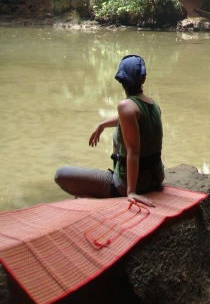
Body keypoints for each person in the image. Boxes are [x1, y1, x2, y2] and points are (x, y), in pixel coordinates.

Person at [54, 54, 164, 207]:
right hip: (156, 178)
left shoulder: (125, 106)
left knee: (61, 175)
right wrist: (102, 125)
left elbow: (134, 150)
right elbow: (129, 119)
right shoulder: (153, 104)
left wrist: (131, 192)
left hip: (133, 184)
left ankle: (99, 198)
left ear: (120, 80)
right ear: (143, 79)